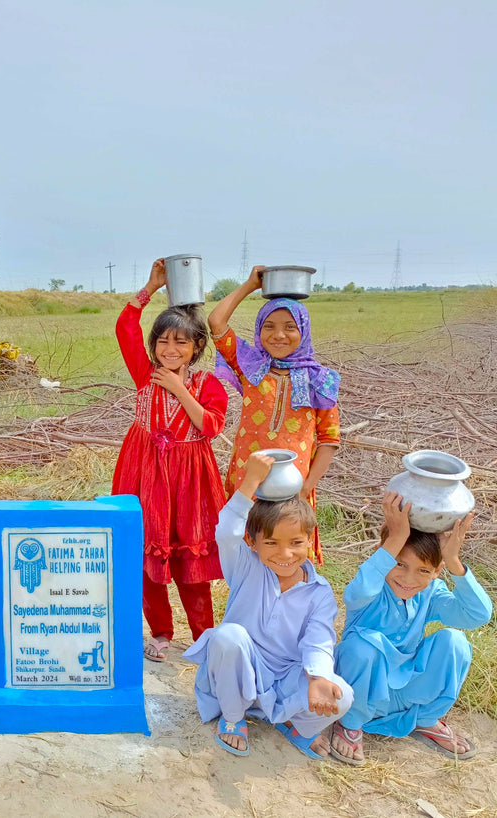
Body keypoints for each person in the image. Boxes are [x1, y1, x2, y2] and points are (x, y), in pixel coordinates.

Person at [183, 452, 352, 759]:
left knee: (342, 696)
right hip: (240, 670)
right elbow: (226, 531)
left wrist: (317, 680)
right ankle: (233, 718)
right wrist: (250, 481)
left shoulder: (320, 592)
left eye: (296, 543)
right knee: (227, 636)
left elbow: (319, 641)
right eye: (271, 543)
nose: (284, 554)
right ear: (252, 542)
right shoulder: (246, 567)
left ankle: (294, 724)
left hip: (285, 679)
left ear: (309, 540)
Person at [112, 259, 228, 662]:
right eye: (163, 341)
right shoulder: (145, 374)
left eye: (181, 343)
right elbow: (124, 328)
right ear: (153, 345)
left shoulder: (207, 383)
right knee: (148, 555)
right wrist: (149, 288)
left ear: (196, 347)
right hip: (143, 470)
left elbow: (211, 426)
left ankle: (204, 636)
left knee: (191, 563)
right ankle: (160, 632)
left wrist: (180, 389)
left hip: (191, 478)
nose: (170, 349)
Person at [329, 494, 492, 765]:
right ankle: (350, 723)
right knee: (361, 647)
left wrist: (453, 560)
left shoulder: (431, 593)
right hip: (363, 691)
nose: (408, 579)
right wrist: (395, 538)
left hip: (407, 694)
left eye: (423, 571)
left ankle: (425, 720)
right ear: (384, 557)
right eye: (399, 563)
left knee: (455, 642)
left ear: (436, 572)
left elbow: (477, 614)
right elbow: (355, 592)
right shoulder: (371, 588)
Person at [208, 266, 340, 563]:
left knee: (288, 560)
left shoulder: (320, 379)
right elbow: (216, 322)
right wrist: (249, 285)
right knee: (246, 559)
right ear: (258, 330)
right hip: (247, 484)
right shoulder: (250, 366)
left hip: (294, 490)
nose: (278, 335)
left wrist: (305, 488)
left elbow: (329, 440)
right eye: (269, 326)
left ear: (303, 331)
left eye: (289, 327)